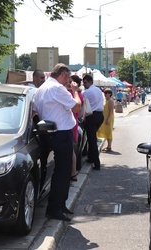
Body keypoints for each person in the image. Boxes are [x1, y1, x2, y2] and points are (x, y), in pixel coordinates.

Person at [33, 63, 82, 221]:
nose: (68, 81)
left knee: (59, 170)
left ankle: (59, 204)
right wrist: (74, 92)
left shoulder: (42, 88)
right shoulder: (57, 88)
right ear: (61, 75)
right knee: (62, 171)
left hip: (49, 132)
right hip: (61, 132)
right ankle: (55, 207)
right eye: (67, 78)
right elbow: (77, 108)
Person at [82, 74, 104, 170]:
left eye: (85, 82)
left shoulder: (87, 92)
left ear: (89, 81)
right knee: (92, 137)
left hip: (92, 116)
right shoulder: (98, 90)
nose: (84, 84)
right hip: (100, 115)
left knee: (92, 140)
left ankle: (96, 163)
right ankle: (91, 158)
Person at [67, 75, 85, 181]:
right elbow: (80, 113)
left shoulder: (73, 94)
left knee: (71, 150)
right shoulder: (79, 95)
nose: (68, 83)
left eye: (70, 82)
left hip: (71, 124)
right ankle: (72, 173)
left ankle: (73, 173)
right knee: (71, 150)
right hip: (73, 123)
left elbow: (78, 111)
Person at [97, 88, 115, 152]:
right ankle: (108, 146)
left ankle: (109, 146)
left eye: (107, 93)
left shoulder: (110, 101)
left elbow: (111, 111)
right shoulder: (105, 100)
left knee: (109, 131)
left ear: (110, 94)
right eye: (105, 93)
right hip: (104, 118)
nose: (105, 94)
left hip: (108, 118)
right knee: (105, 131)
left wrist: (108, 119)